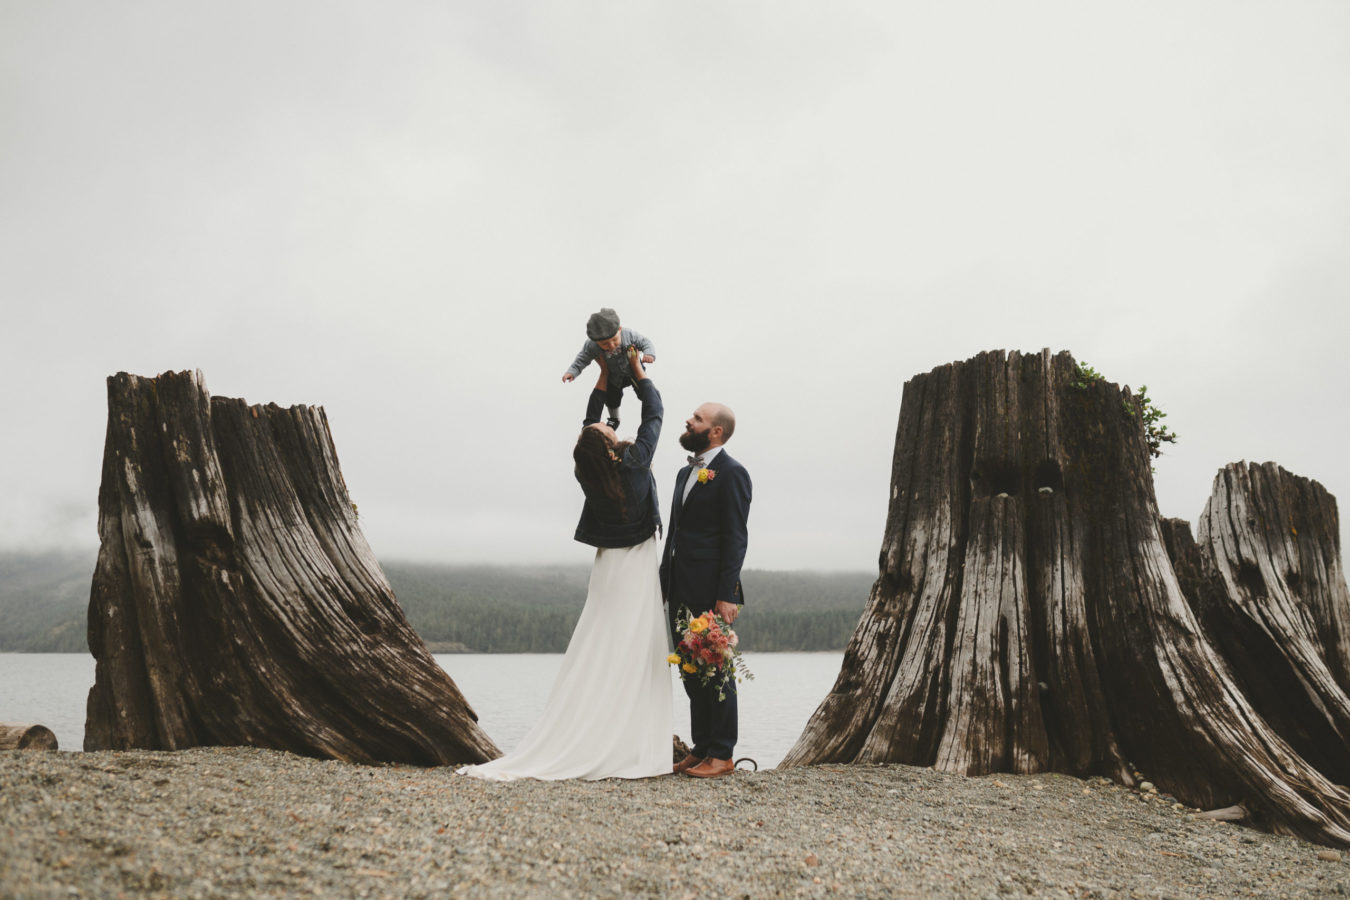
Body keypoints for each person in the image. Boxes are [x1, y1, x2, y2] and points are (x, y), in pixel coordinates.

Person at [459, 349, 671, 781]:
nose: (604, 425)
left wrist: (599, 377)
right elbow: (654, 414)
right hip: (633, 568)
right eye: (605, 429)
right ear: (611, 448)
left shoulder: (592, 472)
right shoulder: (634, 464)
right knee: (630, 644)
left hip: (608, 567)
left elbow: (591, 424)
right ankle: (627, 738)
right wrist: (636, 373)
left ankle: (607, 727)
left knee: (605, 639)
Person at [660, 401, 752, 779]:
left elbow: (736, 537)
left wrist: (727, 593)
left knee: (716, 671)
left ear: (716, 431)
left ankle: (723, 754)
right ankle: (700, 748)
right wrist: (663, 581)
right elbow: (676, 534)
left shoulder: (732, 474)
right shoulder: (686, 473)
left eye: (697, 418)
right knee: (689, 670)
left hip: (712, 592)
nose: (688, 420)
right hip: (679, 587)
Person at [561, 307, 656, 429]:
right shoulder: (591, 346)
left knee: (644, 390)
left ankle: (652, 405)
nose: (611, 346)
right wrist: (572, 372)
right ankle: (614, 418)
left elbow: (645, 342)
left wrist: (649, 354)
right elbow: (582, 359)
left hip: (633, 371)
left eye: (615, 340)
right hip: (613, 377)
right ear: (595, 341)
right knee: (611, 398)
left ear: (619, 330)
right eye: (605, 344)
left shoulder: (628, 334)